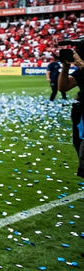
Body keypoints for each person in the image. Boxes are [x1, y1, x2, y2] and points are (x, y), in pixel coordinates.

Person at [58, 49, 84, 178]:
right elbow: (63, 87)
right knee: (80, 149)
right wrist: (65, 67)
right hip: (81, 115)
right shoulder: (80, 71)